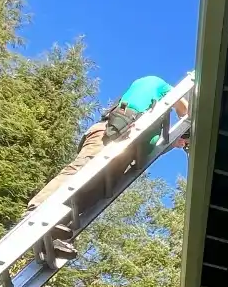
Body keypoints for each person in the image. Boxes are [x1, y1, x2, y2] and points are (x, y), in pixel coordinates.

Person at [25, 74, 189, 213]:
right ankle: (39, 207)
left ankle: (60, 228)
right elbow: (183, 108)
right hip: (111, 134)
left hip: (124, 149)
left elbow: (150, 149)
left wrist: (174, 143)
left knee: (98, 191)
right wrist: (192, 116)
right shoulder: (155, 84)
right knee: (83, 170)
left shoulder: (154, 126)